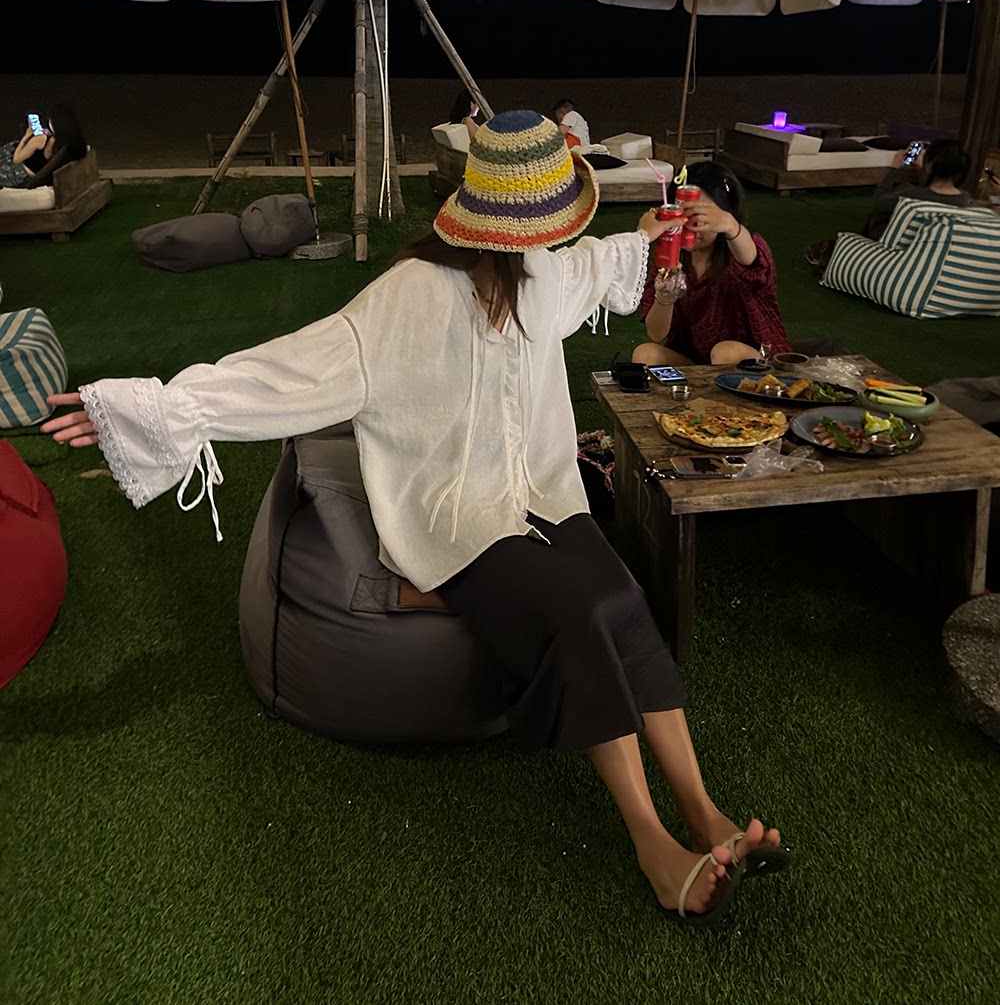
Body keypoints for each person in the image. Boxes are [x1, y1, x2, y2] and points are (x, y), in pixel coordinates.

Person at [42, 110, 785, 928]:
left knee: (621, 595)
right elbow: (291, 368)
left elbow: (592, 267)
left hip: (538, 490)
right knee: (577, 614)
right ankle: (652, 842)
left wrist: (644, 238)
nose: (548, 238)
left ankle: (704, 812)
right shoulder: (409, 297)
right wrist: (147, 407)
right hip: (453, 512)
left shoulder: (539, 270)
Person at [632, 162, 789, 368]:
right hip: (697, 361)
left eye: (700, 217)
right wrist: (664, 298)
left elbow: (750, 259)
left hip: (756, 362)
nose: (690, 226)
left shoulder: (741, 249)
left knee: (725, 352)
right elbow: (656, 333)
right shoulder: (671, 259)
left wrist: (731, 226)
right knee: (645, 354)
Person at [864, 138, 974, 239]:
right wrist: (923, 169)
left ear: (930, 163)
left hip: (903, 240)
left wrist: (893, 167)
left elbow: (879, 201)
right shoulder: (964, 199)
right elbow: (933, 193)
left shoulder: (910, 196)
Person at [0, 117, 52, 188]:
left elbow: (16, 160)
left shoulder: (41, 138)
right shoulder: (55, 140)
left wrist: (27, 135)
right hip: (29, 172)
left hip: (20, 173)